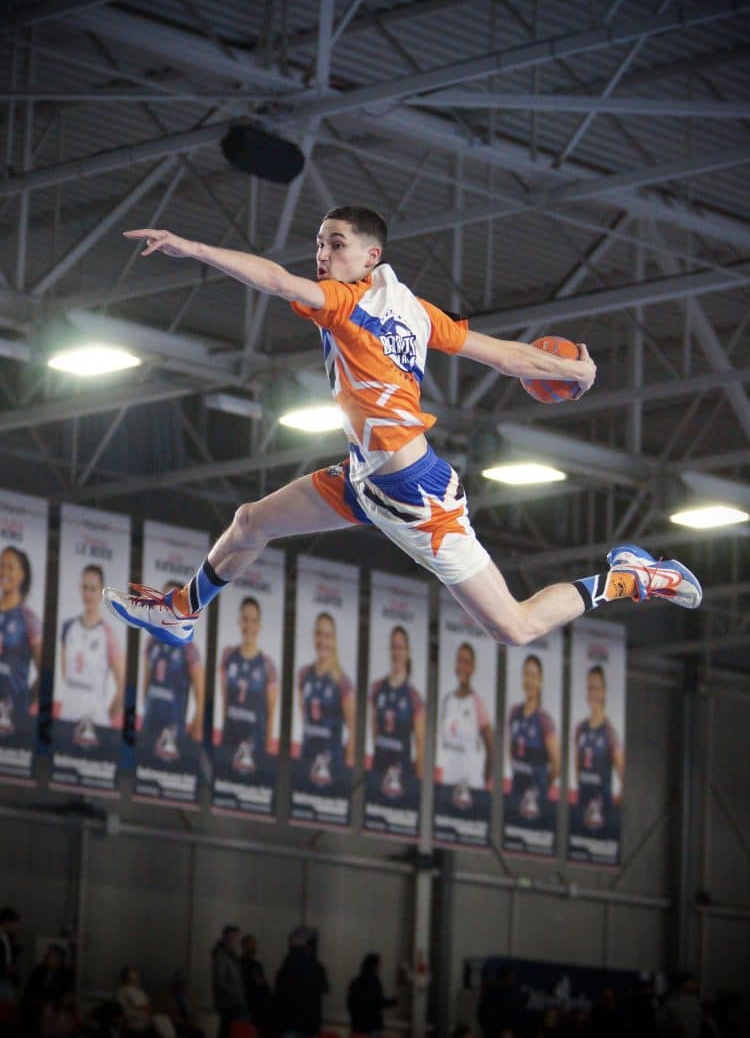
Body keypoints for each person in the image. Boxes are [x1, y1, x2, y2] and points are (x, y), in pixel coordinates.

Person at [103, 209, 702, 653]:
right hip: (365, 481)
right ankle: (181, 611)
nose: (321, 254)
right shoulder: (412, 308)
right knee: (249, 523)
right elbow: (504, 357)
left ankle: (632, 576)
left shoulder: (347, 303)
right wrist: (571, 368)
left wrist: (195, 246)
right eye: (317, 243)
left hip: (419, 497)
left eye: (335, 244)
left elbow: (277, 282)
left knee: (515, 628)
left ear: (370, 257)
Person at [58, 564, 125, 748]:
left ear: (101, 593)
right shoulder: (68, 627)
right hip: (68, 716)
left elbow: (122, 686)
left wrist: (104, 716)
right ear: (79, 588)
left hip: (94, 724)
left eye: (93, 589)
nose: (88, 593)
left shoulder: (108, 635)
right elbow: (66, 674)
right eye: (85, 587)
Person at [140, 581, 205, 762]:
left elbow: (200, 696)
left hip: (175, 729)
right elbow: (146, 683)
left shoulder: (189, 648)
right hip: (150, 722)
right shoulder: (151, 641)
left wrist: (193, 728)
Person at [219, 597, 278, 775]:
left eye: (253, 621)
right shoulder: (228, 656)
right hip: (229, 743)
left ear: (259, 625)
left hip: (255, 749)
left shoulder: (268, 666)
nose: (249, 626)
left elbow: (270, 716)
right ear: (239, 621)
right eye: (245, 619)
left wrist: (266, 754)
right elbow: (225, 703)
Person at [296, 611, 355, 789]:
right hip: (305, 762)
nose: (322, 641)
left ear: (334, 640)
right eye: (319, 634)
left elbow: (353, 733)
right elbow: (304, 719)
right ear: (314, 636)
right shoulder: (304, 674)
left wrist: (345, 774)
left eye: (328, 636)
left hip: (332, 767)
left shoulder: (343, 683)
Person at [369, 625, 424, 803]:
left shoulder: (414, 697)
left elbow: (420, 746)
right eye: (393, 647)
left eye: (400, 647)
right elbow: (374, 732)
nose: (396, 652)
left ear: (407, 652)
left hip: (403, 774)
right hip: (378, 770)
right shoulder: (377, 688)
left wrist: (417, 786)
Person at [570, 665, 624, 841]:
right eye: (589, 688)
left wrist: (613, 806)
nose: (591, 693)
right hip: (583, 805)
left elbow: (623, 774)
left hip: (602, 809)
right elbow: (577, 768)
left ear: (603, 692)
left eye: (595, 688)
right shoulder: (580, 728)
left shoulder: (609, 733)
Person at [506, 654, 560, 827]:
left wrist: (542, 784)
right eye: (526, 674)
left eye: (534, 676)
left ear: (540, 680)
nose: (529, 681)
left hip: (536, 802)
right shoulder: (514, 712)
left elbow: (556, 764)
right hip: (516, 795)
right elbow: (510, 750)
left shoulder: (544, 720)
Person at [439, 641, 493, 792]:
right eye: (459, 661)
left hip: (471, 784)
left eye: (466, 662)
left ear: (472, 667)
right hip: (448, 780)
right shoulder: (447, 701)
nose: (462, 666)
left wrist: (483, 780)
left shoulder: (477, 703)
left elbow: (491, 747)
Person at [0, 546, 42, 739]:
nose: (4, 571)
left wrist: (24, 701)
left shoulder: (29, 620)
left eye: (10, 567)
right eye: (2, 565)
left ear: (22, 574)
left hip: (12, 719)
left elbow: (44, 673)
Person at [273, 928, 328, 1038]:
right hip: (309, 1022)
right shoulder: (317, 966)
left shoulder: (289, 962)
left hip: (289, 1020)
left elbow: (280, 990)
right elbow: (324, 988)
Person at [21, 943, 77, 1037]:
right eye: (46, 955)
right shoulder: (38, 971)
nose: (46, 957)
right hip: (38, 1004)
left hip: (57, 1006)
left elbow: (68, 993)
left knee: (59, 1016)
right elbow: (28, 991)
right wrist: (41, 1002)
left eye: (49, 955)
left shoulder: (66, 974)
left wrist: (58, 1004)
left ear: (59, 959)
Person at [116, 966, 175, 1038]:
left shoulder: (138, 990)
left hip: (142, 1020)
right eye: (135, 976)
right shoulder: (128, 990)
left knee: (162, 1018)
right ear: (129, 978)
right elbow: (143, 1007)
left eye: (137, 976)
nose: (138, 978)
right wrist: (157, 1009)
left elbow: (146, 1006)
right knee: (161, 1018)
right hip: (135, 1022)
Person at [346, 952, 396, 1037]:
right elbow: (380, 1003)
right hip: (373, 1026)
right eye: (379, 964)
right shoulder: (375, 982)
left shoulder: (355, 982)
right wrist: (394, 1001)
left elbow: (349, 1004)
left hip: (357, 1026)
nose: (380, 967)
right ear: (374, 966)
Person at [210, 926, 247, 1038]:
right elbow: (219, 981)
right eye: (232, 939)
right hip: (229, 1003)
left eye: (236, 939)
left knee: (228, 1031)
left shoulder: (231, 956)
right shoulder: (222, 956)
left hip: (232, 1002)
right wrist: (235, 991)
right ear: (225, 938)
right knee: (228, 1031)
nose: (234, 942)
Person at [239, 935, 272, 1032]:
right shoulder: (240, 965)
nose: (253, 947)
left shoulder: (256, 965)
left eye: (254, 944)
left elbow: (262, 984)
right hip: (246, 1005)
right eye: (251, 945)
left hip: (258, 1008)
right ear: (244, 946)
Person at [0, 906, 21, 1032]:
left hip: (7, 976)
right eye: (15, 923)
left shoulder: (8, 937)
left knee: (10, 1008)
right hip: (1, 976)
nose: (16, 927)